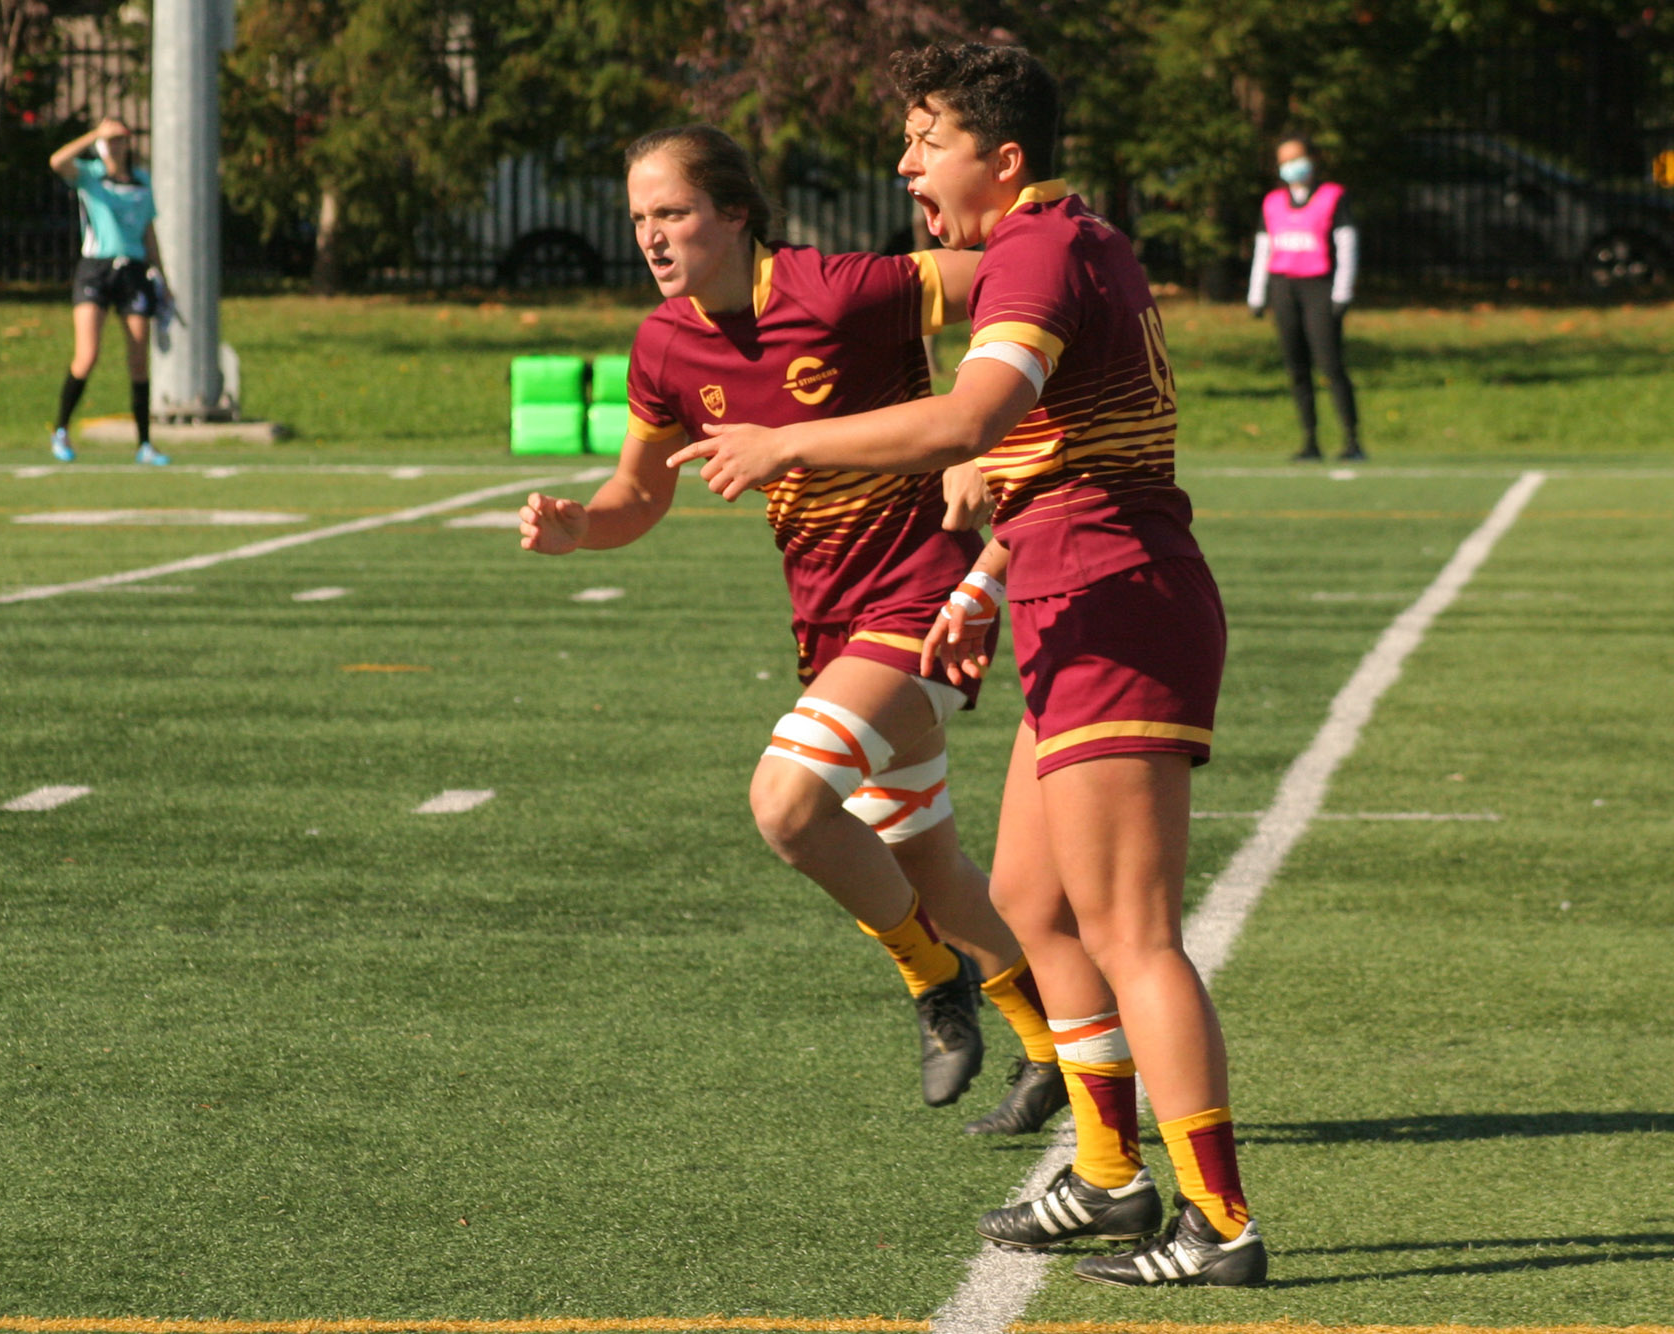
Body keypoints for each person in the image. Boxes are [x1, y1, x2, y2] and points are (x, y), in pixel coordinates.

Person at [669, 44, 1266, 1288]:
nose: (903, 166)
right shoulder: (1067, 244)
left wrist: (788, 439)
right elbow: (1058, 454)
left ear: (1002, 160)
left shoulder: (1038, 251)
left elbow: (969, 423)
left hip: (1112, 596)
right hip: (1073, 584)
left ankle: (1217, 1225)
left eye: (923, 141)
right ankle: (1107, 1179)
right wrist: (986, 580)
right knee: (1037, 906)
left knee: (1131, 930)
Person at [516, 124, 1068, 1134]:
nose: (651, 235)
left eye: (672, 212)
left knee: (783, 802)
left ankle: (931, 980)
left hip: (925, 602)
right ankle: (1057, 1050)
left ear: (734, 213)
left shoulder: (843, 288)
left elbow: (1023, 276)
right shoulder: (663, 343)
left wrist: (983, 433)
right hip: (828, 625)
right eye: (637, 218)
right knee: (925, 865)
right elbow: (637, 495)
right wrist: (579, 529)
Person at [47, 118, 170, 466]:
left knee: (138, 357)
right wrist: (93, 135)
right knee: (87, 355)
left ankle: (144, 443)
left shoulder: (141, 181)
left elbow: (148, 233)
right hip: (96, 269)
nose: (115, 146)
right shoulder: (89, 174)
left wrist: (163, 279)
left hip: (132, 271)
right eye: (110, 140)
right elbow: (56, 162)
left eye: (120, 139)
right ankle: (61, 429)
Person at [1247, 135, 1363, 462]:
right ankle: (1310, 439)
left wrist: (1342, 292)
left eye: (1296, 158)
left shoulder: (1332, 197)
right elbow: (1263, 249)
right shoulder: (1272, 202)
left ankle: (1352, 439)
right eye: (1284, 161)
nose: (1291, 166)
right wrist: (1257, 295)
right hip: (1285, 288)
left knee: (1330, 365)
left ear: (1312, 159)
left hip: (1319, 288)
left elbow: (1347, 245)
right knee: (1296, 367)